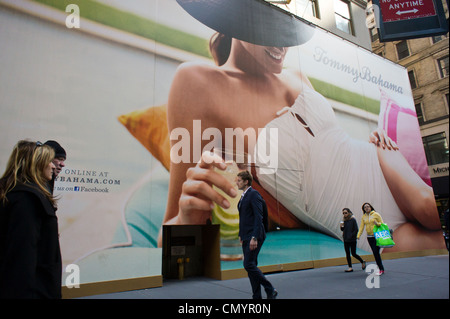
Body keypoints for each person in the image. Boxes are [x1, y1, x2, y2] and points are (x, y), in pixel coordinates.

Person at [160, 0, 444, 253]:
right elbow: (168, 234)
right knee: (400, 246)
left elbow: (335, 146)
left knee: (429, 211)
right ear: (236, 19)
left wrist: (375, 139)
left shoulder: (296, 75)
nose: (281, 46)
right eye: (268, 31)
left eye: (285, 35)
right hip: (351, 218)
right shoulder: (197, 82)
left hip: (382, 165)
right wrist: (187, 219)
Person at [0, 140, 62, 298]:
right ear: (36, 164)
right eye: (49, 161)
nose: (54, 166)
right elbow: (22, 257)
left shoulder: (15, 194)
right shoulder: (28, 200)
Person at [236, 170, 276, 299]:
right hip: (246, 235)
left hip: (254, 235)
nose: (236, 182)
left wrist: (254, 237)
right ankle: (257, 296)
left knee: (248, 264)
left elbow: (258, 217)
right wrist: (240, 234)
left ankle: (270, 289)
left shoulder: (253, 194)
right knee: (251, 266)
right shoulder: (243, 196)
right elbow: (244, 218)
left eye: (239, 180)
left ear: (246, 181)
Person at [357, 203, 384, 275]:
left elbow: (382, 224)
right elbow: (361, 227)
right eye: (365, 207)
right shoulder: (364, 217)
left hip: (377, 236)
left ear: (371, 207)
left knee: (376, 252)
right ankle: (381, 268)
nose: (366, 208)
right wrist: (358, 235)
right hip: (369, 237)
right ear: (363, 209)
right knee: (375, 253)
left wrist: (377, 224)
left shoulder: (376, 214)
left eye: (368, 206)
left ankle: (380, 269)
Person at [340, 208, 365, 272]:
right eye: (343, 213)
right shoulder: (344, 220)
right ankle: (350, 267)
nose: (344, 214)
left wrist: (351, 236)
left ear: (349, 213)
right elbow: (343, 229)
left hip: (352, 239)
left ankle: (362, 261)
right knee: (347, 253)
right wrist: (341, 226)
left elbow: (356, 229)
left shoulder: (353, 220)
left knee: (353, 253)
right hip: (346, 239)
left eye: (346, 213)